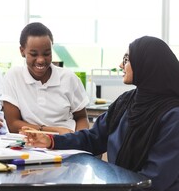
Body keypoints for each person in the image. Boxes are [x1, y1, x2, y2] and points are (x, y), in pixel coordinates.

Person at [22, 36, 179, 191]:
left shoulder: (173, 116)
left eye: (127, 59)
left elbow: (156, 180)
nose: (120, 64)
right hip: (120, 185)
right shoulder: (126, 101)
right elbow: (93, 137)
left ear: (147, 64)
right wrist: (51, 141)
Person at [1, 22, 89, 134]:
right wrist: (53, 131)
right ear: (22, 51)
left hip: (66, 143)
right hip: (31, 143)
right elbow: (13, 125)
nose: (41, 60)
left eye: (47, 53)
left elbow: (82, 118)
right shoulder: (13, 76)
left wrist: (80, 140)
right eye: (34, 54)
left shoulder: (68, 78)